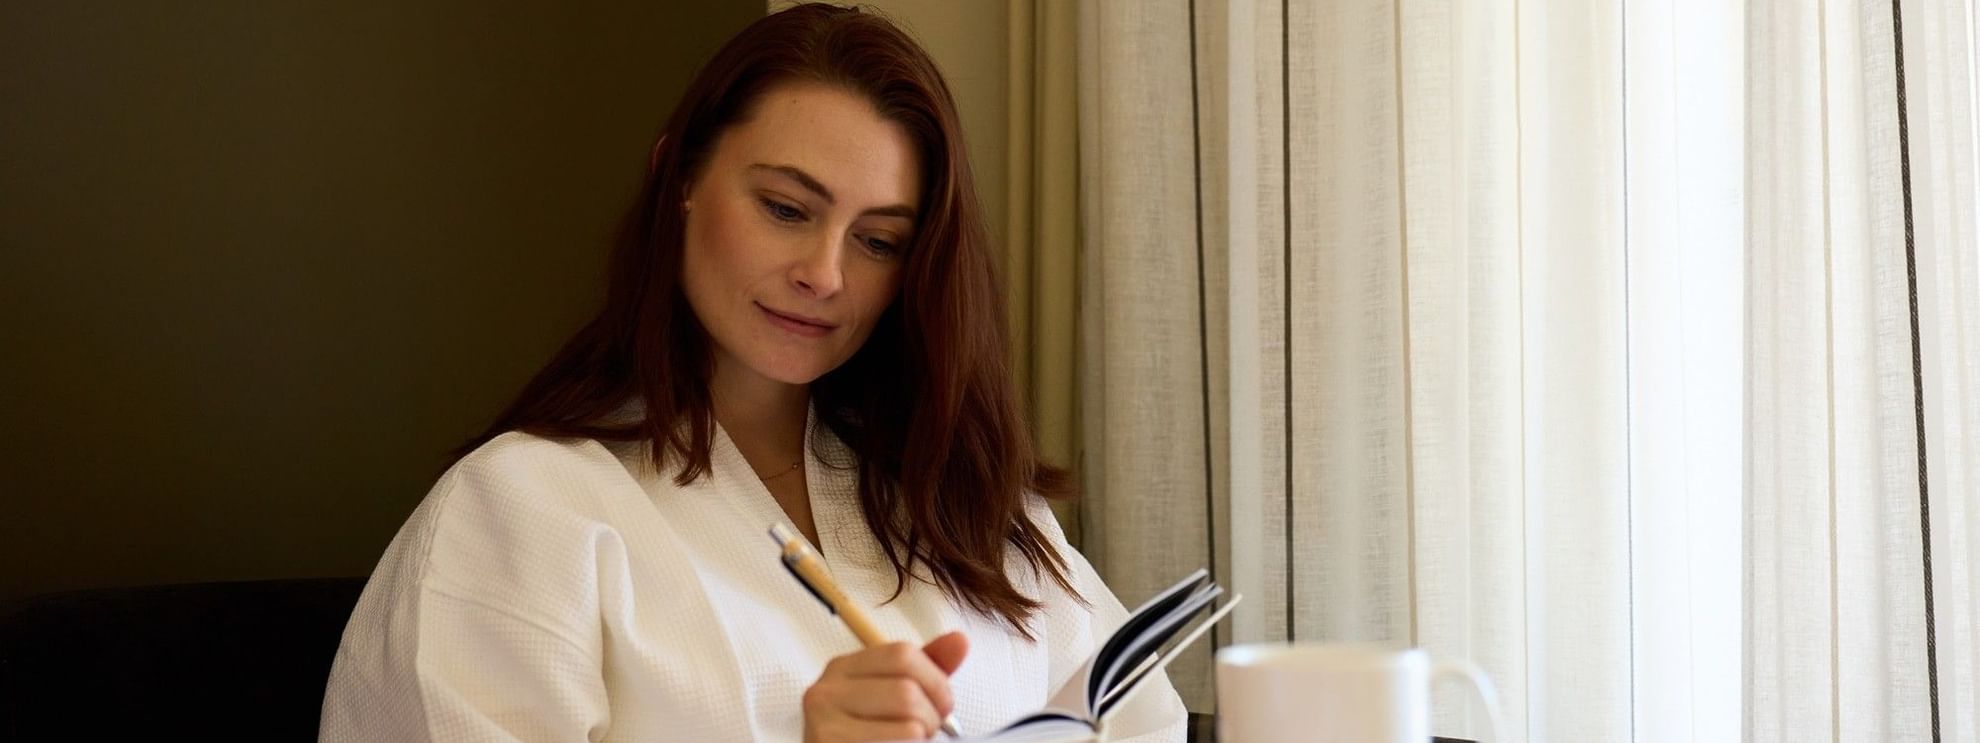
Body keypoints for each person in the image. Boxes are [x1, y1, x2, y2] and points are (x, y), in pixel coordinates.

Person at [319, 4, 1187, 742]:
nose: (826, 272)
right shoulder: (521, 514)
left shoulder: (967, 500)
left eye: (878, 240)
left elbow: (1148, 718)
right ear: (680, 180)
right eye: (784, 207)